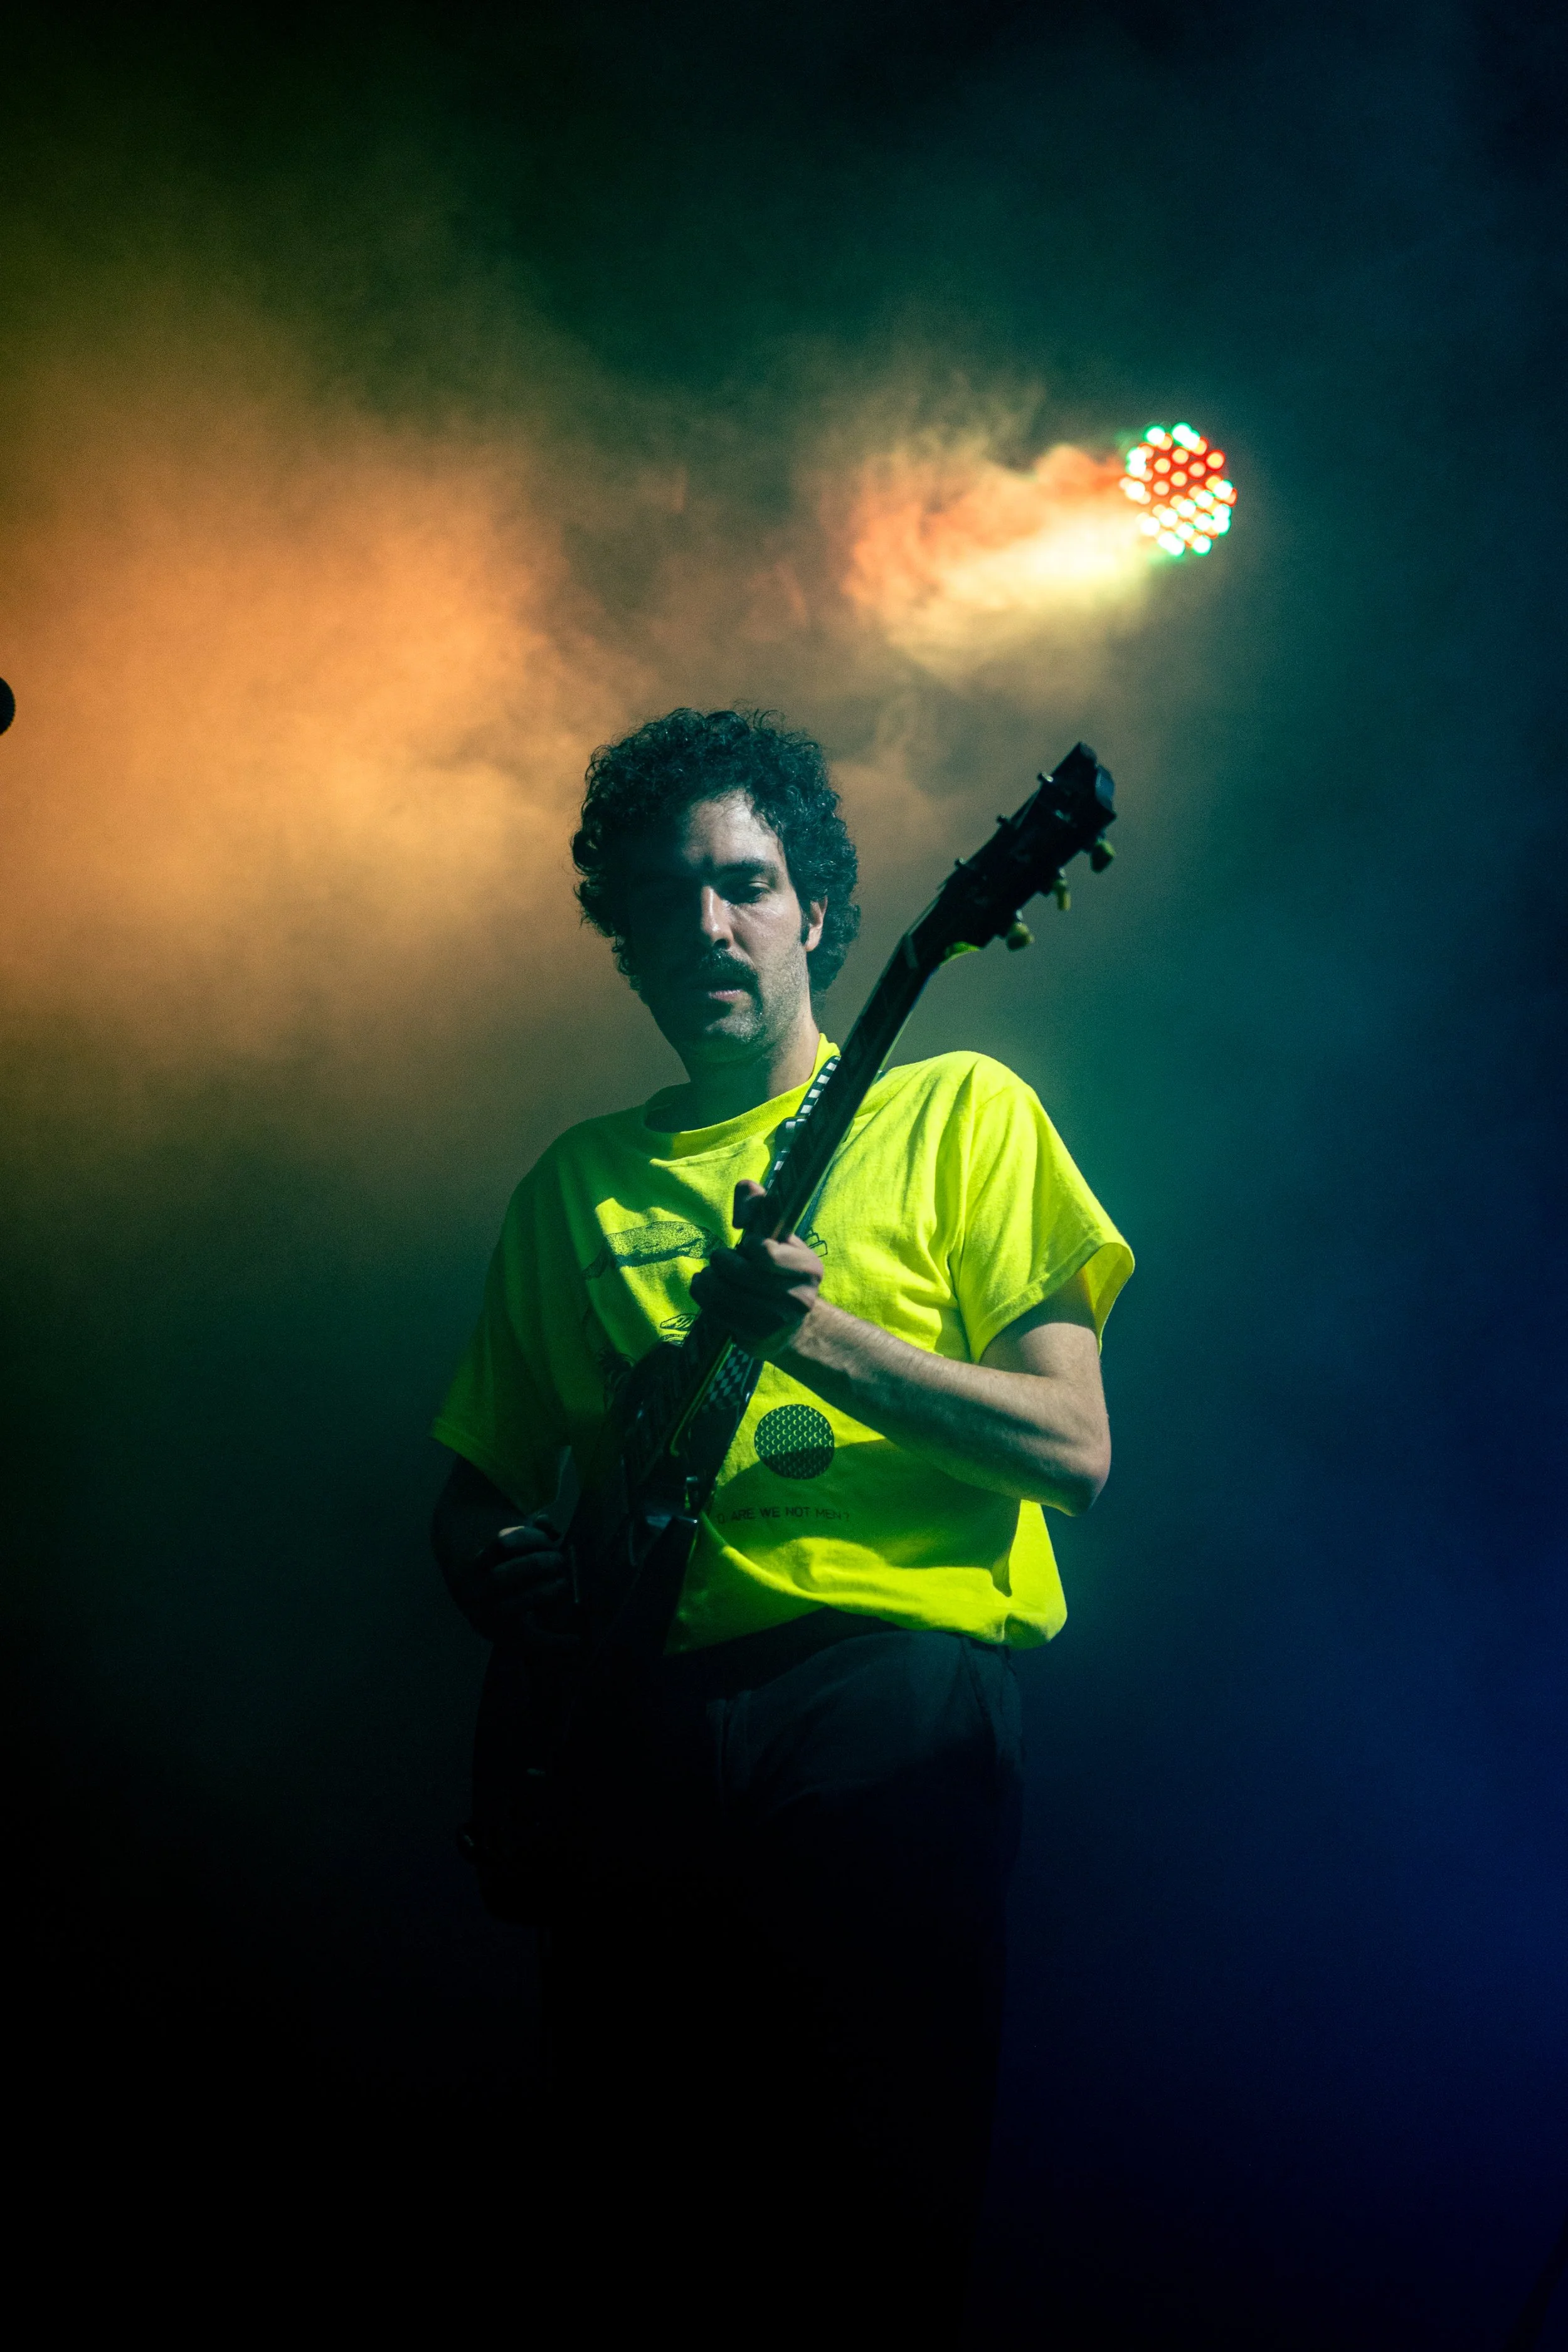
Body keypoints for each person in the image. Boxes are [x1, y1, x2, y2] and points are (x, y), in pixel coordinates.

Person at [430, 706, 1131, 2336]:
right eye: (663, 899)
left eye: (743, 882)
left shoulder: (959, 1109)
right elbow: (472, 1489)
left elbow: (1073, 1447)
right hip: (631, 1732)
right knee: (646, 2216)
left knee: (867, 2215)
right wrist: (500, 1574)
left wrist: (810, 1337)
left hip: (883, 1699)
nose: (707, 924)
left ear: (816, 905)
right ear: (618, 936)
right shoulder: (574, 1183)